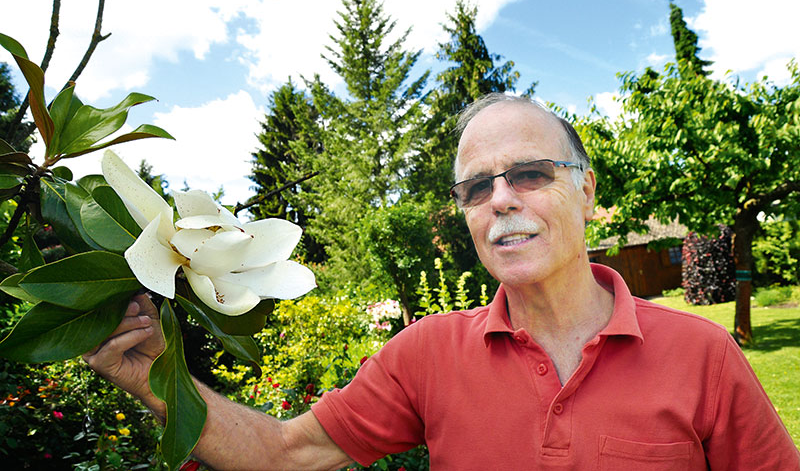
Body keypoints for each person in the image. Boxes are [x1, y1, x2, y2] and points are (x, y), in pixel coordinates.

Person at [84, 93, 799, 470]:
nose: (502, 199)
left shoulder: (703, 356)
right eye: (476, 187)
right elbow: (283, 453)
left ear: (586, 194)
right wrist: (156, 380)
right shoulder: (424, 355)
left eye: (528, 173)